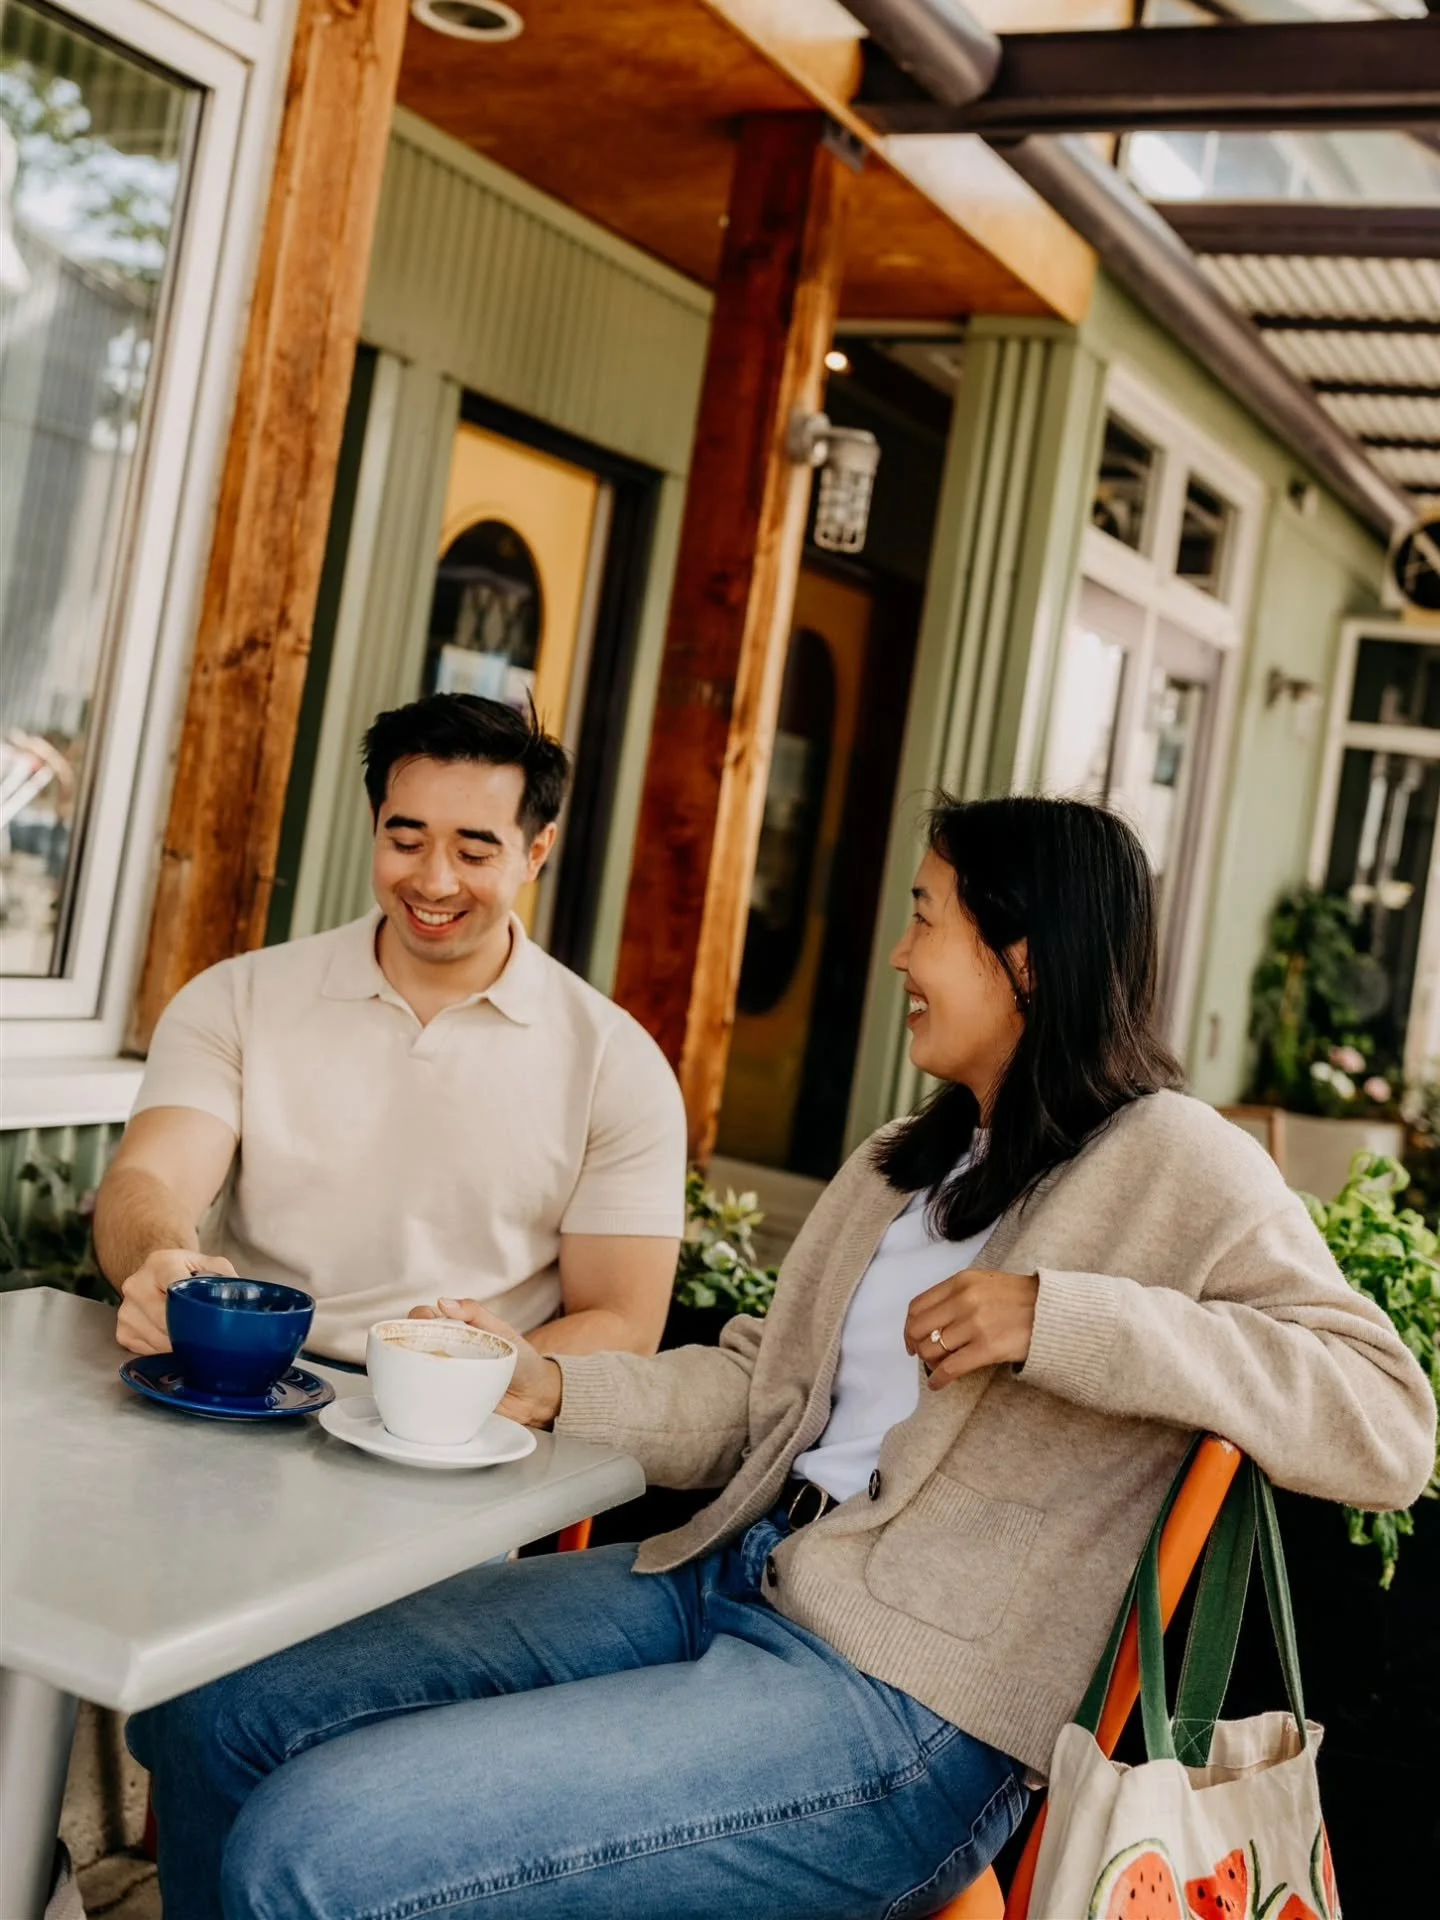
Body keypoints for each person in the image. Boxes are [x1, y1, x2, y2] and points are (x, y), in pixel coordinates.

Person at [128, 795, 1436, 1920]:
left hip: (903, 1714)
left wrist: (1066, 1319)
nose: (896, 954)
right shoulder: (901, 1165)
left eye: (927, 917)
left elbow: (1387, 1426)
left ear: (1027, 957)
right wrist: (543, 1382)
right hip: (729, 1576)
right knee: (219, 1710)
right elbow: (759, 1397)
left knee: (318, 1849)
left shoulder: (1178, 1162)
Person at [96, 694, 687, 1367]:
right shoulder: (238, 997)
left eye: (473, 853)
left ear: (536, 851)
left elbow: (622, 1322)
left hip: (465, 1419)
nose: (434, 881)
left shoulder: (616, 1062)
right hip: (246, 1377)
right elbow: (149, 1178)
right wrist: (156, 1265)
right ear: (374, 824)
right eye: (406, 842)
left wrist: (440, 1382)